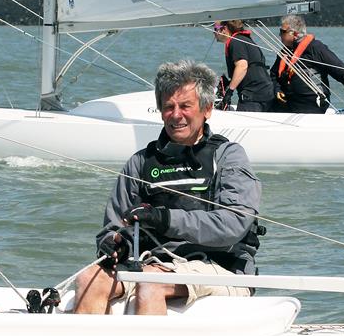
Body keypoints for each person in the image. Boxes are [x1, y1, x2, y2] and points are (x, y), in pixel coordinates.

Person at [74, 59, 262, 316]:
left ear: (207, 109)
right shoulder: (140, 162)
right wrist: (114, 244)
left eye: (185, 106)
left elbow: (232, 225)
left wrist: (164, 219)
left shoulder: (228, 156)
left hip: (220, 266)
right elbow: (113, 226)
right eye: (168, 107)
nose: (176, 115)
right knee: (88, 279)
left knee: (150, 282)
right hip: (153, 263)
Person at [270, 15, 344, 114]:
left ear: (295, 34)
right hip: (290, 100)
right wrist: (277, 89)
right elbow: (274, 74)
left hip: (311, 102)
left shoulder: (316, 48)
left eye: (282, 32)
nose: (280, 35)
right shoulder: (285, 52)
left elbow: (337, 68)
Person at [212, 20, 274, 112]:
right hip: (264, 92)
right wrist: (230, 82)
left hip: (253, 96)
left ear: (224, 29)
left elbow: (242, 66)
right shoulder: (244, 39)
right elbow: (250, 67)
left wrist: (230, 91)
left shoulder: (236, 42)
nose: (214, 33)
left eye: (215, 29)